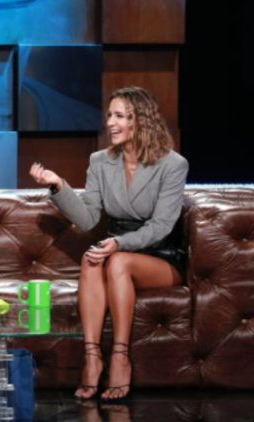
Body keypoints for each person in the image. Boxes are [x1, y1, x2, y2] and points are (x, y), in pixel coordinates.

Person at [29, 86, 188, 401]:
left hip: (161, 253)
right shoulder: (100, 161)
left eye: (120, 116)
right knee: (93, 258)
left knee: (117, 261)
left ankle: (120, 357)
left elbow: (161, 226)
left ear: (140, 120)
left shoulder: (173, 164)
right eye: (110, 115)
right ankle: (92, 359)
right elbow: (88, 218)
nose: (110, 123)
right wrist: (58, 186)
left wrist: (119, 243)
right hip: (117, 248)